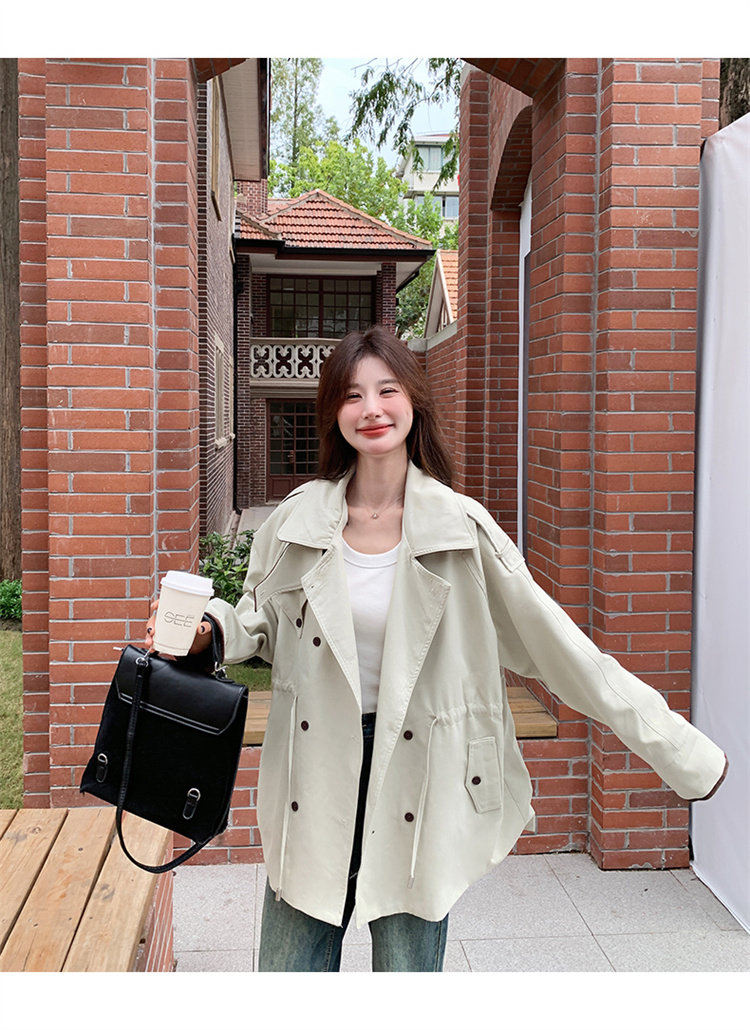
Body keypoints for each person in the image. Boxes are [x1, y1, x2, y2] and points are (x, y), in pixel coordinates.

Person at [145, 325, 728, 973]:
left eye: (387, 390)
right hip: (314, 766)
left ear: (413, 401)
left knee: (408, 978)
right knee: (289, 974)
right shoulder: (297, 520)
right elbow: (262, 621)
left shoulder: (460, 530)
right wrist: (210, 629)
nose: (371, 409)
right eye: (352, 395)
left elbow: (565, 651)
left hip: (417, 771)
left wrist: (678, 749)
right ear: (333, 412)